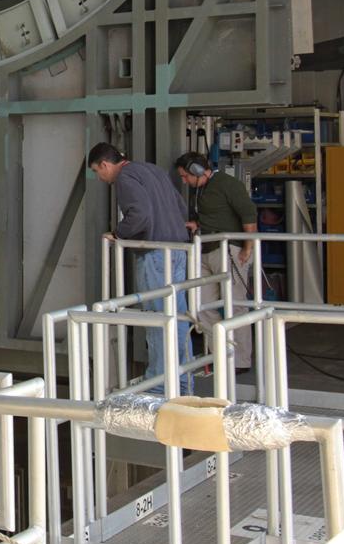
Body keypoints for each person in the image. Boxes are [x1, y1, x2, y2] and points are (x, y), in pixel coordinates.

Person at [88, 142, 193, 395]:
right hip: (178, 250)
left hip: (155, 253)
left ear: (105, 164)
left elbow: (140, 215)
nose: (100, 178)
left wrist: (118, 234)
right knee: (178, 317)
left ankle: (158, 385)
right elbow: (180, 208)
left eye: (97, 171)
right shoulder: (153, 171)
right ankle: (182, 382)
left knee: (156, 318)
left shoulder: (124, 178)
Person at [174, 151, 259, 373]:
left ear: (197, 171)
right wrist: (197, 224)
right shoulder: (201, 190)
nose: (184, 181)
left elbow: (248, 214)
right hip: (205, 250)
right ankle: (218, 354)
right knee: (202, 307)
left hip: (229, 250)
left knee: (235, 305)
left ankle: (240, 360)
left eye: (185, 176)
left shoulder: (227, 184)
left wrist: (247, 247)